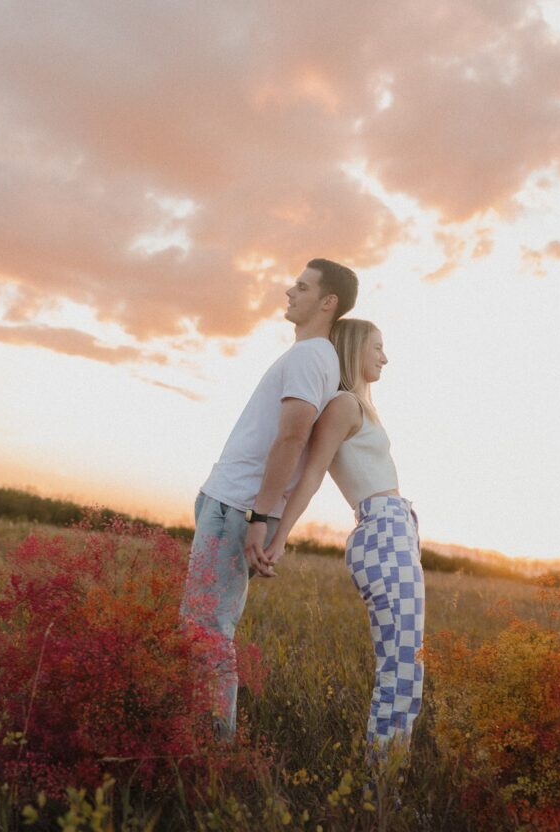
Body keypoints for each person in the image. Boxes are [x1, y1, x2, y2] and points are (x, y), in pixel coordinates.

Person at [181, 259, 359, 739]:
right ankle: (202, 738)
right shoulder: (312, 357)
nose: (288, 291)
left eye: (301, 287)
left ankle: (211, 749)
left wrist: (261, 516)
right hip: (233, 502)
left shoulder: (310, 357)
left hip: (236, 506)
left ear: (328, 302)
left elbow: (293, 437)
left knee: (206, 629)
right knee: (205, 625)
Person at [263, 318, 424, 754]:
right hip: (382, 533)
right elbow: (311, 474)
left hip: (396, 532)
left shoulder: (359, 408)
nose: (385, 357)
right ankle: (381, 783)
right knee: (402, 668)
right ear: (355, 350)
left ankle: (387, 774)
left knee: (406, 664)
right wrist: (278, 537)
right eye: (377, 347)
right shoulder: (344, 406)